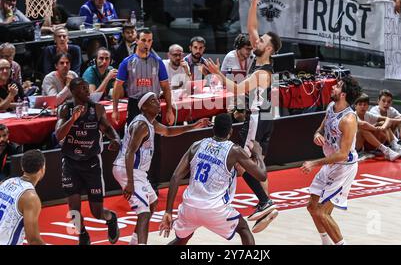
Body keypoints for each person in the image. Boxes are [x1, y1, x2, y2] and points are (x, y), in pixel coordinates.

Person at [205, 0, 282, 233]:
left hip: (258, 117)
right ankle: (265, 205)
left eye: (260, 42)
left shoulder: (262, 73)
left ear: (268, 48)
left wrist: (218, 74)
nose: (255, 42)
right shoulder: (260, 59)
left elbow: (237, 88)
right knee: (252, 162)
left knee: (243, 162)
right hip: (265, 116)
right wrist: (255, 0)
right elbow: (251, 26)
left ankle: (265, 201)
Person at [113, 91, 210, 245]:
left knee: (152, 203)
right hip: (127, 169)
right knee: (143, 212)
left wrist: (195, 125)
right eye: (153, 101)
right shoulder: (141, 125)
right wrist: (130, 182)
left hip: (137, 171)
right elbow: (130, 152)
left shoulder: (151, 123)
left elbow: (168, 131)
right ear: (144, 107)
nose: (158, 103)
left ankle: (134, 241)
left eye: (157, 100)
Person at [159, 113, 268, 245]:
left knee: (182, 239)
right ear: (231, 131)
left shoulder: (196, 145)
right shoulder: (234, 150)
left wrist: (168, 211)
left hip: (190, 207)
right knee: (244, 229)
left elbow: (176, 177)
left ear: (213, 129)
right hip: (214, 209)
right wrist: (258, 153)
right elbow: (262, 175)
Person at [55, 78, 122, 245]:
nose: (88, 91)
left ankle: (111, 218)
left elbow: (107, 128)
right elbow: (58, 136)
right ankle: (82, 233)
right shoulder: (65, 109)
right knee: (74, 210)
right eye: (83, 89)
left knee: (97, 212)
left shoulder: (97, 109)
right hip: (70, 163)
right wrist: (73, 119)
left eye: (87, 88)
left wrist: (116, 140)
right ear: (74, 92)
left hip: (91, 164)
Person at [300, 76, 362, 245]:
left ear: (343, 94)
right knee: (312, 207)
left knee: (322, 212)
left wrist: (313, 163)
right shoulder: (331, 107)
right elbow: (323, 124)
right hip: (330, 163)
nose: (333, 87)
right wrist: (317, 134)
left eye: (338, 86)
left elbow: (342, 154)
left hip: (343, 167)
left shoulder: (348, 120)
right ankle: (326, 242)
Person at [112, 29, 175, 126]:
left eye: (149, 41)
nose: (147, 44)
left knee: (155, 138)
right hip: (134, 104)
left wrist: (169, 110)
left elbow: (166, 87)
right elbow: (117, 86)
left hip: (154, 104)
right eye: (143, 40)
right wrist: (115, 110)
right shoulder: (126, 62)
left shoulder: (158, 62)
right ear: (136, 41)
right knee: (134, 138)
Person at [0, 149, 46, 245]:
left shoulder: (6, 182)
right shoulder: (30, 197)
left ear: (22, 167)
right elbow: (33, 240)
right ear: (42, 169)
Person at [354, 93, 401, 161]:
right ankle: (387, 149)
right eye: (360, 104)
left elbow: (388, 119)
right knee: (362, 130)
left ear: (367, 106)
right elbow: (363, 124)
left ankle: (395, 146)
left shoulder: (368, 114)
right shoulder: (353, 115)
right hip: (357, 146)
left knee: (383, 123)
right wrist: (376, 128)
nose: (362, 107)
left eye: (365, 105)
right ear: (355, 106)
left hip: (370, 143)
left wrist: (383, 127)